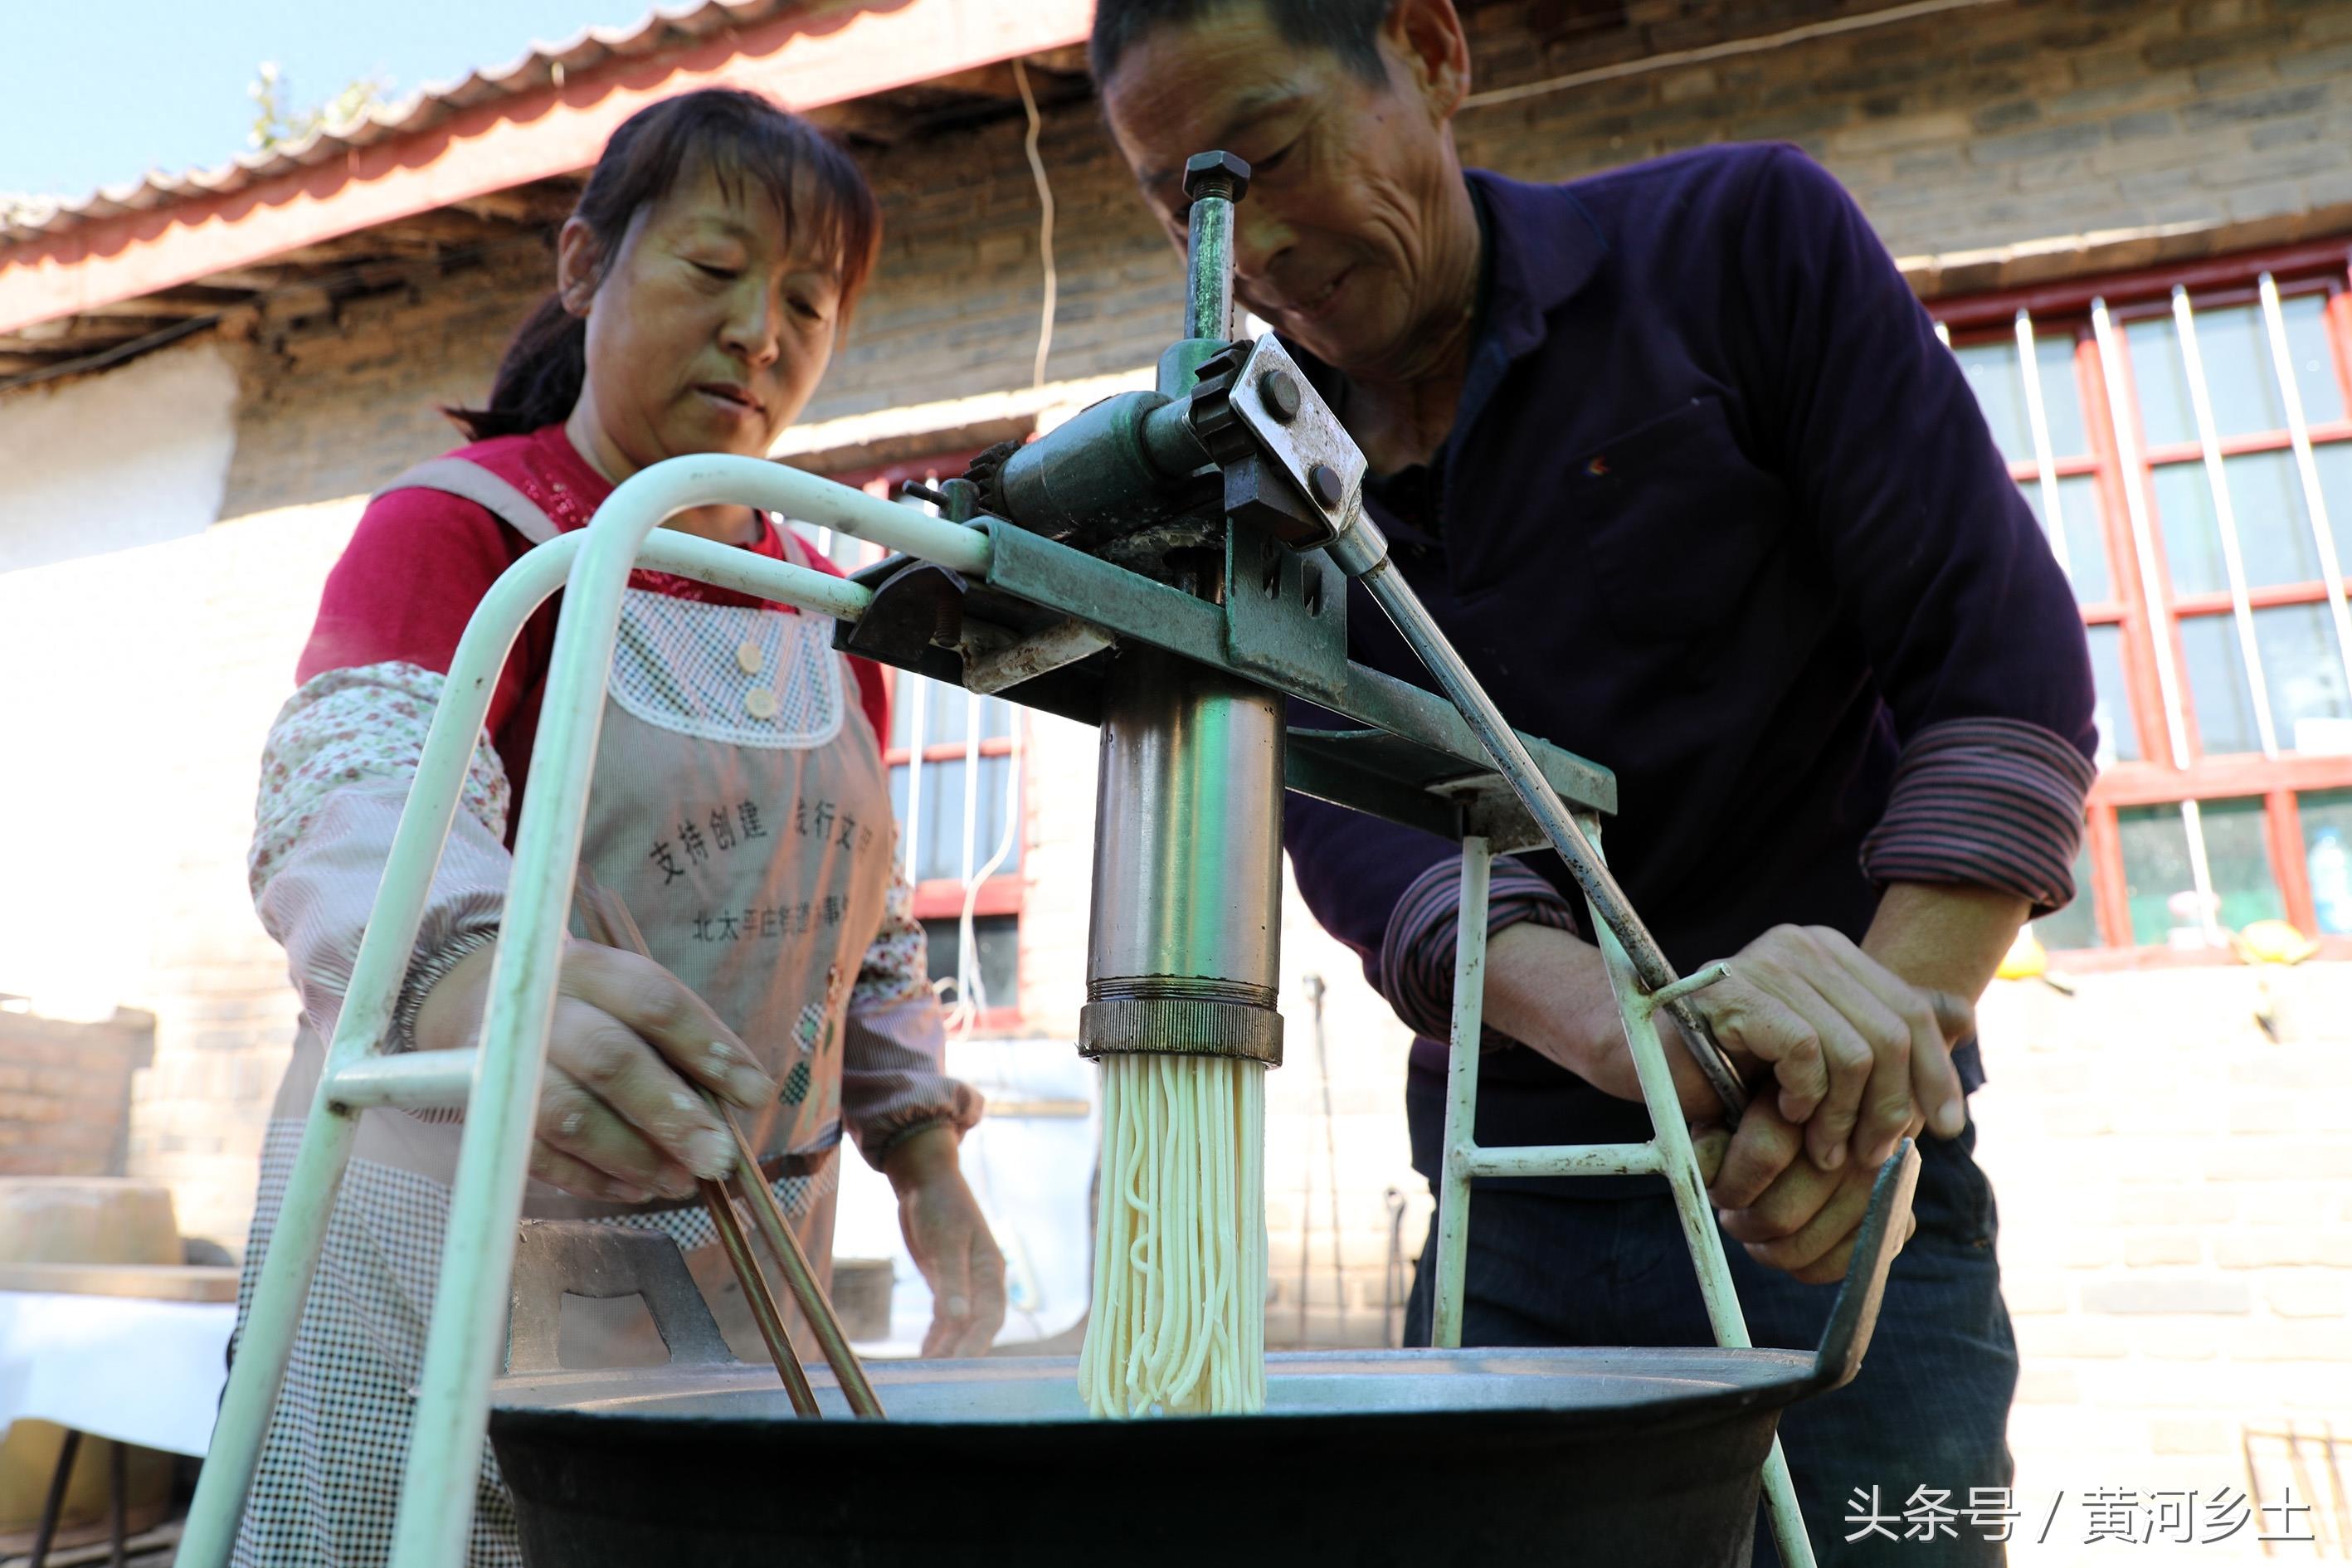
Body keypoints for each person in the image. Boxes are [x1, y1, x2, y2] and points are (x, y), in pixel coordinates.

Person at [1090, 2, 2094, 1562]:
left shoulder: (1743, 246)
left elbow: (2001, 674)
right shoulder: (1255, 469)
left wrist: (1861, 1077)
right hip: (1513, 1218)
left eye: (1276, 155)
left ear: (1428, 51)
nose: (1262, 244)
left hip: (1842, 1206)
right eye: (1194, 213)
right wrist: (1646, 1047)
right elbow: (1365, 836)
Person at [231, 89, 1006, 1566]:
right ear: (585, 269)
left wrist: (925, 1157)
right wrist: (473, 976)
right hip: (435, 1251)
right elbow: (356, 784)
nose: (759, 334)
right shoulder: (468, 530)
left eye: (805, 302)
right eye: (713, 274)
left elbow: (867, 919)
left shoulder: (830, 606)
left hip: (736, 1272)